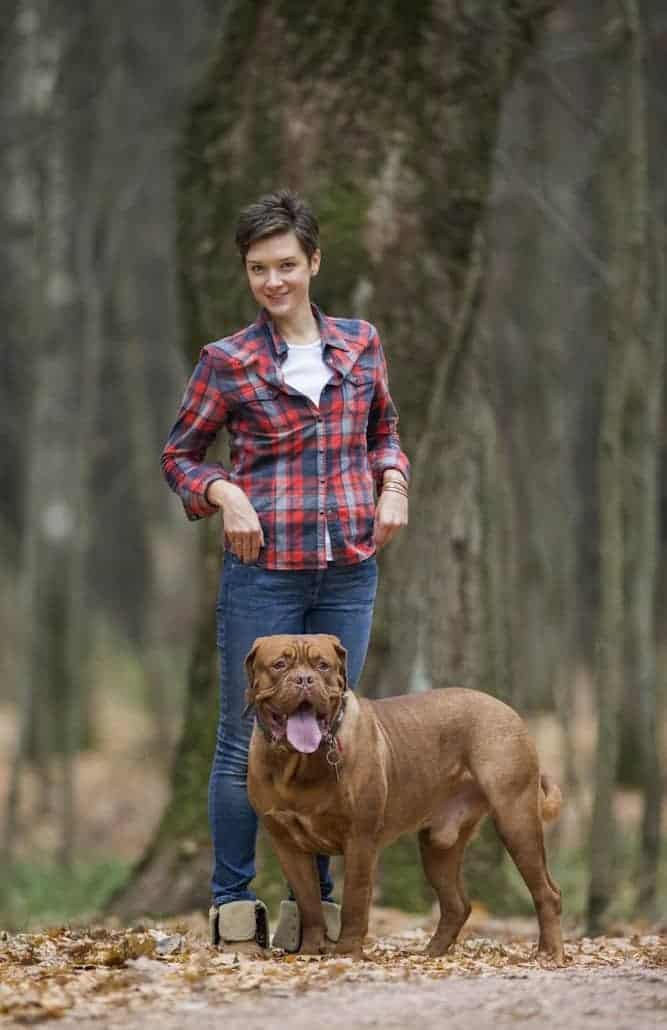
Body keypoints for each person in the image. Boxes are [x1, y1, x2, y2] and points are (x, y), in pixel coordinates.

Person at [161, 189, 409, 953]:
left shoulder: (360, 345)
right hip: (263, 574)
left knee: (329, 730)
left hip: (348, 571)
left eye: (286, 265)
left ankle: (315, 908)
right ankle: (235, 907)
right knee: (247, 740)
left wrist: (393, 484)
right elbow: (179, 457)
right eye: (258, 268)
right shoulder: (226, 362)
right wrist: (225, 492)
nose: (273, 281)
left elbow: (385, 434)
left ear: (313, 263)